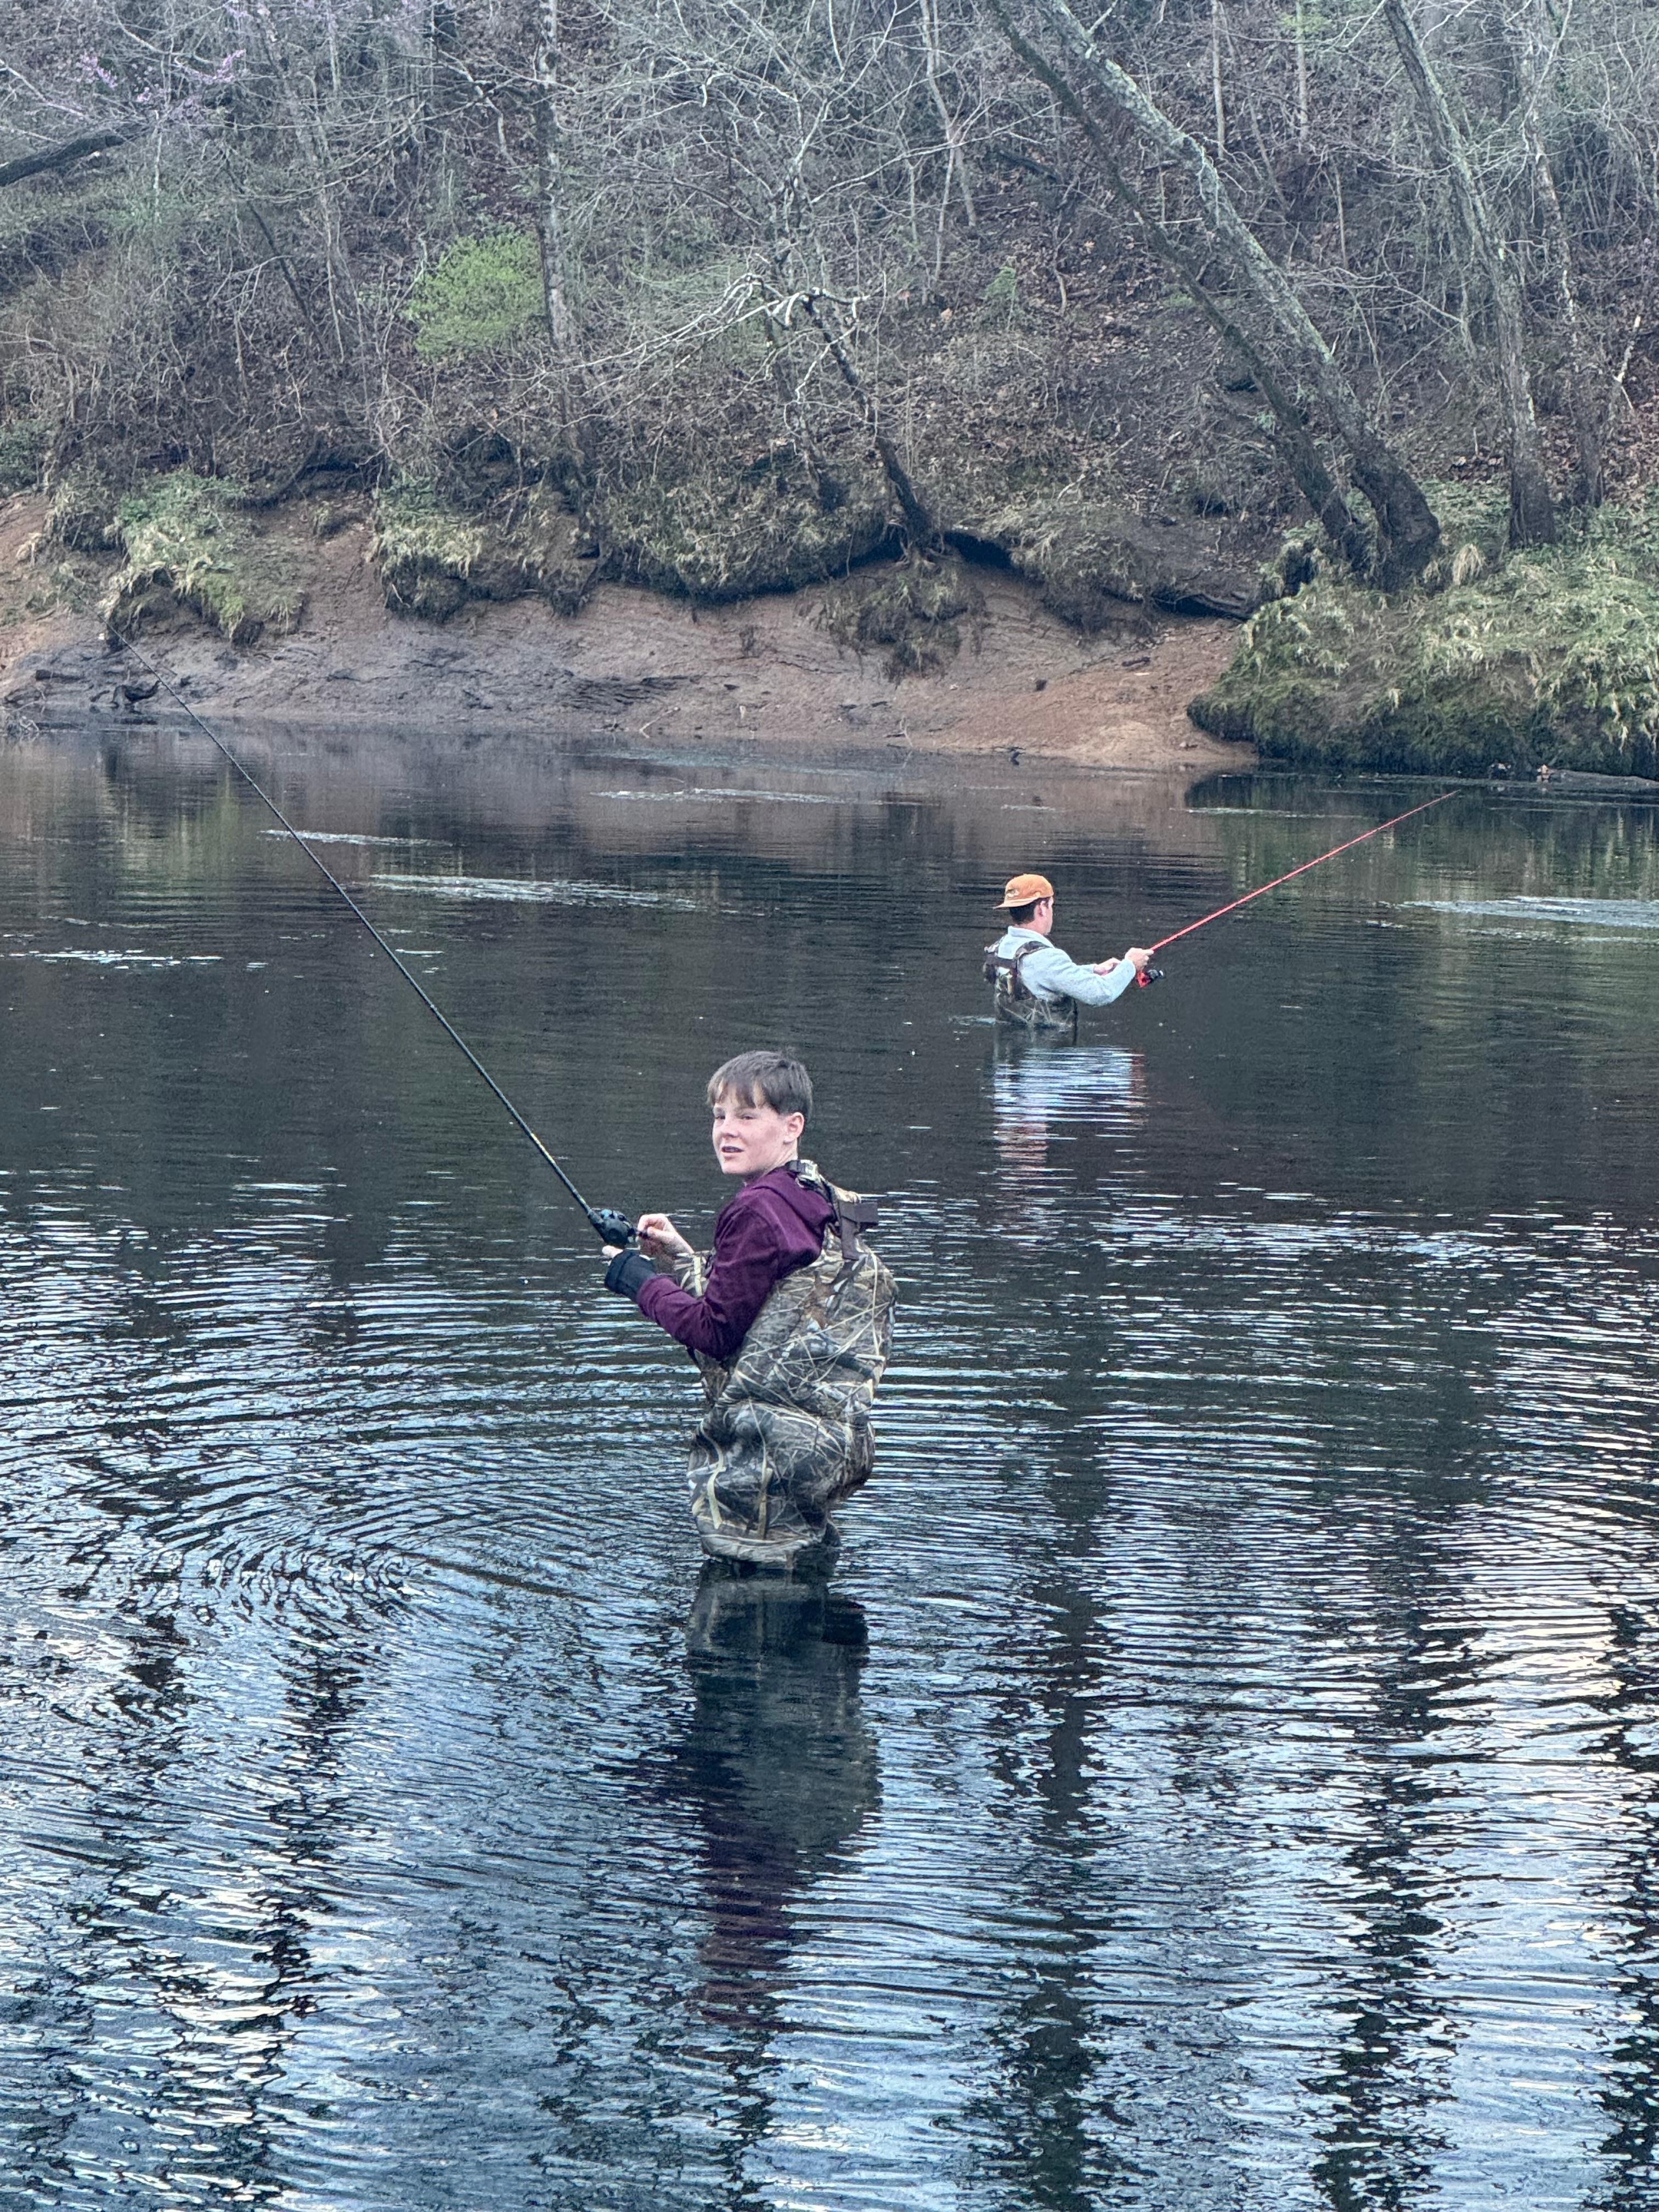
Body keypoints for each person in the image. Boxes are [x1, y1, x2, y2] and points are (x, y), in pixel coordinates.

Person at [602, 1048, 894, 1568]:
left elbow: (715, 1332)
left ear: (792, 1125)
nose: (726, 1131)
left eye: (747, 1116)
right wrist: (682, 1257)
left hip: (765, 1463)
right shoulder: (813, 1195)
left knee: (750, 1609)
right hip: (824, 1448)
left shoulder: (755, 1208)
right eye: (719, 1116)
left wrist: (637, 1281)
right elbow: (771, 1305)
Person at [984, 871, 1153, 1032]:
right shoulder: (1047, 957)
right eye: (1051, 905)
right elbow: (1101, 993)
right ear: (1042, 908)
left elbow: (1037, 976)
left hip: (1010, 1053)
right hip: (1050, 1053)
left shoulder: (1000, 948)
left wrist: (1092, 970)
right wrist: (1130, 964)